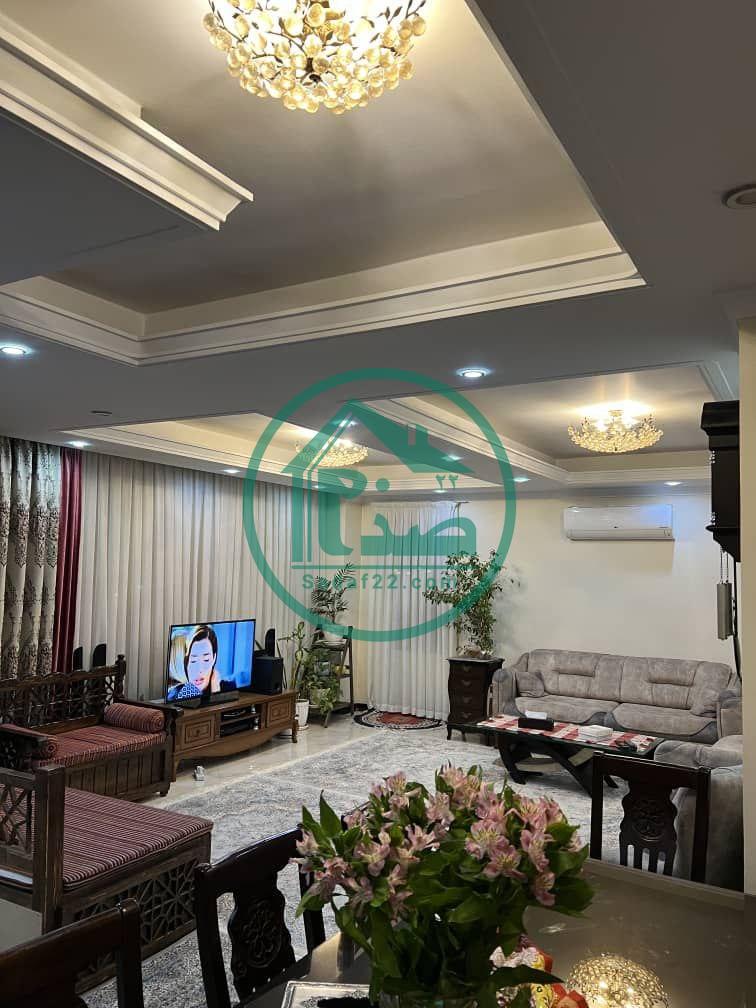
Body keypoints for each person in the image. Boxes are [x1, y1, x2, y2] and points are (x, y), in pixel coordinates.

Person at [167, 624, 238, 701]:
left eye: (206, 659)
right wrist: (215, 691)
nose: (199, 668)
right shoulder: (184, 691)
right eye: (193, 660)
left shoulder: (225, 685)